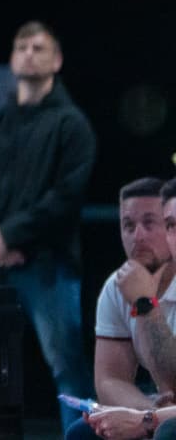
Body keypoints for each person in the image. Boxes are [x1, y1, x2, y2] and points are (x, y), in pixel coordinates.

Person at [0, 21, 97, 413]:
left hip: (48, 265)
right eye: (21, 46)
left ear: (57, 60)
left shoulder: (71, 124)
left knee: (66, 365)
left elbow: (66, 197)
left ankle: (80, 436)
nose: (28, 53)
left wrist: (11, 236)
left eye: (38, 47)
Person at [63, 178, 176, 440]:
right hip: (162, 410)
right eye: (128, 225)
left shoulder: (138, 291)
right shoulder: (117, 286)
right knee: (83, 433)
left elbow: (173, 381)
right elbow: (109, 380)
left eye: (150, 223)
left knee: (168, 432)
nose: (137, 236)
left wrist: (145, 304)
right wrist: (144, 412)